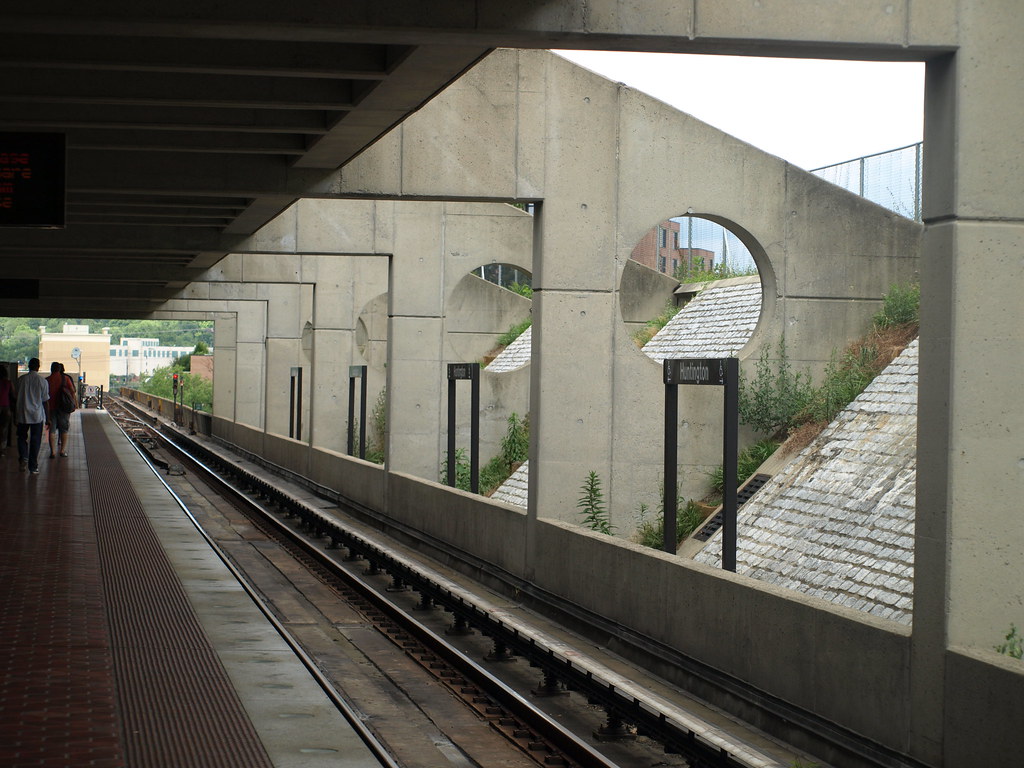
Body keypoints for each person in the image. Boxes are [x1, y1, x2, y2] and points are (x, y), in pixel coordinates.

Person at [15, 358, 49, 474]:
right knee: (35, 440)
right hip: (37, 416)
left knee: (21, 437)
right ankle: (33, 467)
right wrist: (48, 418)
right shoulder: (42, 381)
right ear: (38, 367)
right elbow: (45, 401)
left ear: (28, 366)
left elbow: (15, 398)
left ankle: (24, 456)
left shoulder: (21, 380)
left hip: (22, 414)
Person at [46, 362, 78, 459]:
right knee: (64, 429)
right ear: (59, 369)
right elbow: (72, 391)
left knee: (51, 430)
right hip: (63, 408)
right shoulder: (65, 379)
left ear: (51, 369)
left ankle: (53, 452)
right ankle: (62, 451)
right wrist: (75, 403)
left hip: (50, 407)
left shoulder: (46, 380)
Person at [0, 367, 14, 458]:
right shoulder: (8, 383)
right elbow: (13, 395)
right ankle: (2, 450)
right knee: (4, 429)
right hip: (6, 407)